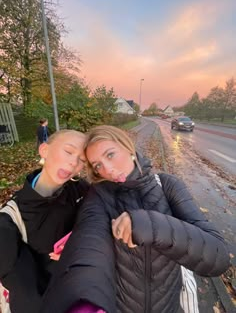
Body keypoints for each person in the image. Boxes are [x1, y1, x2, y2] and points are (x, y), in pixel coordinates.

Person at [41, 125, 230, 313]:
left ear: (128, 147)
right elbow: (91, 240)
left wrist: (148, 224)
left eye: (110, 155)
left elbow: (218, 257)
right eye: (97, 165)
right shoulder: (99, 196)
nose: (107, 169)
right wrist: (85, 304)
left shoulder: (167, 186)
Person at [0, 129, 89, 313]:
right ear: (44, 150)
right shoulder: (10, 221)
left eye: (82, 160)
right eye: (68, 151)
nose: (74, 162)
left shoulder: (81, 191)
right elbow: (27, 295)